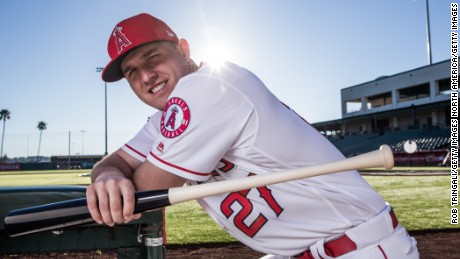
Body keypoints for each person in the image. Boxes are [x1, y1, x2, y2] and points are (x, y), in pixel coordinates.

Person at [87, 13, 420, 258]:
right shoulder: (165, 118)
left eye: (153, 57)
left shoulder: (205, 87)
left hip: (359, 248)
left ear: (183, 50)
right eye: (132, 73)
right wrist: (110, 175)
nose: (145, 76)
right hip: (313, 249)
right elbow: (113, 161)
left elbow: (148, 188)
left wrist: (125, 181)